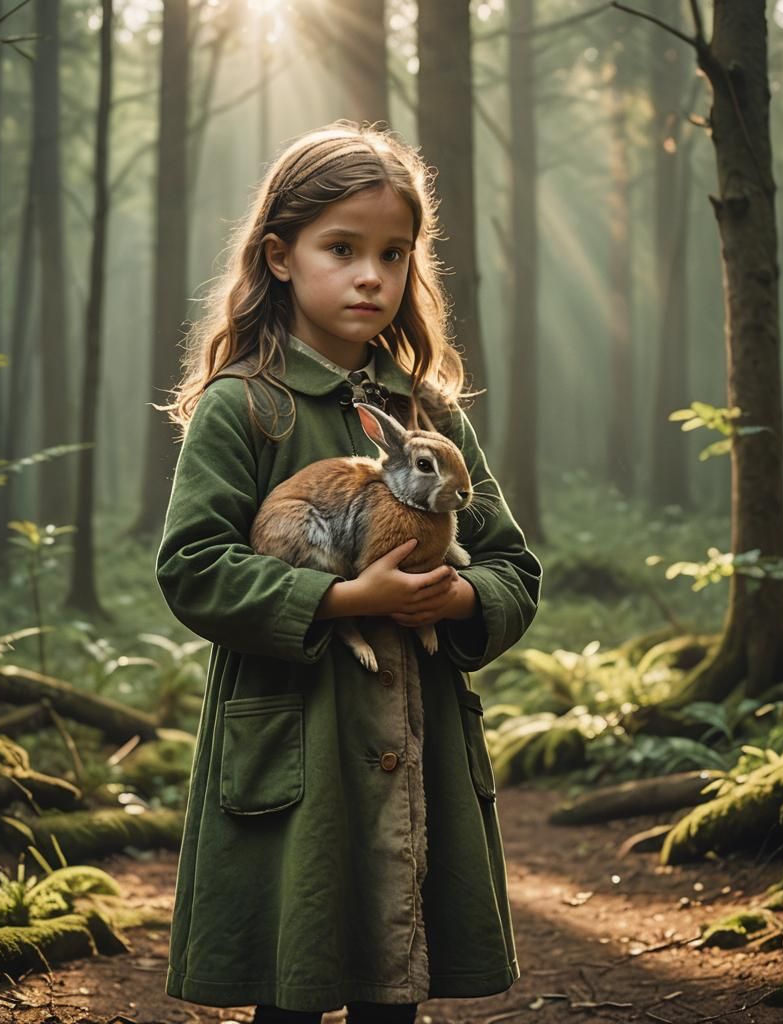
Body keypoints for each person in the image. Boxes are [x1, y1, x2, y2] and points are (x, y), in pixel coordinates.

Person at [156, 121, 542, 1024]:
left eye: (393, 254)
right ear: (280, 257)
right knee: (294, 965)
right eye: (343, 248)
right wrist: (338, 598)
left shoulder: (428, 411)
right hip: (296, 740)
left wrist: (463, 595)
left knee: (395, 973)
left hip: (421, 736)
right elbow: (192, 566)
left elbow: (512, 563)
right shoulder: (244, 407)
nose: (372, 275)